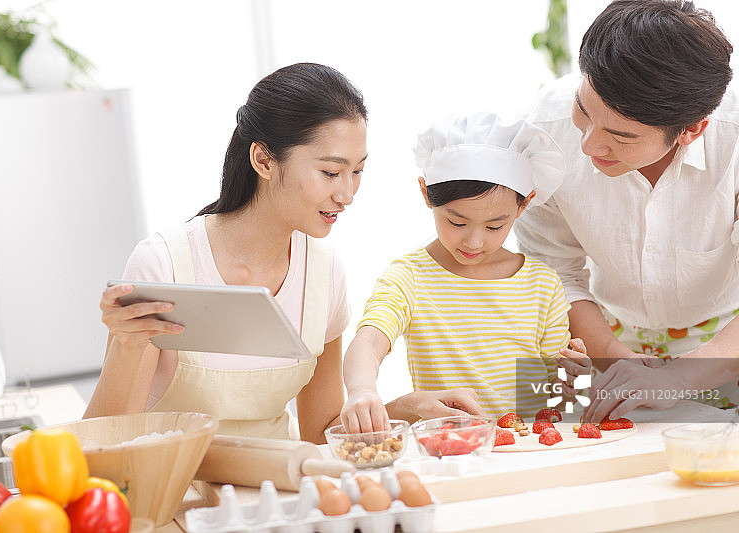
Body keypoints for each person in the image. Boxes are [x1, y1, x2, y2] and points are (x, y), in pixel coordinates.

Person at [85, 63, 482, 443]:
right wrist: (127, 342)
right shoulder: (164, 265)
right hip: (174, 497)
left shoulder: (323, 272)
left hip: (280, 486)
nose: (346, 194)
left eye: (357, 171)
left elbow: (320, 434)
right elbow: (107, 443)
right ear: (263, 160)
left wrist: (403, 410)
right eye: (330, 172)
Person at [513, 0, 739, 422]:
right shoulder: (540, 132)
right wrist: (612, 356)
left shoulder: (735, 141)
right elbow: (553, 269)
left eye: (621, 135)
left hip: (727, 342)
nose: (588, 146)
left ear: (692, 129)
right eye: (584, 110)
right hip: (605, 329)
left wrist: (675, 379)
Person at [341, 112, 576, 434]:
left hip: (528, 447)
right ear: (426, 193)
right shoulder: (409, 278)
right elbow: (369, 341)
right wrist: (362, 390)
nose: (474, 242)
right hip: (453, 448)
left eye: (496, 225)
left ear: (524, 205)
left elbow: (560, 401)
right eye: (457, 222)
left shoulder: (542, 284)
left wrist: (572, 375)